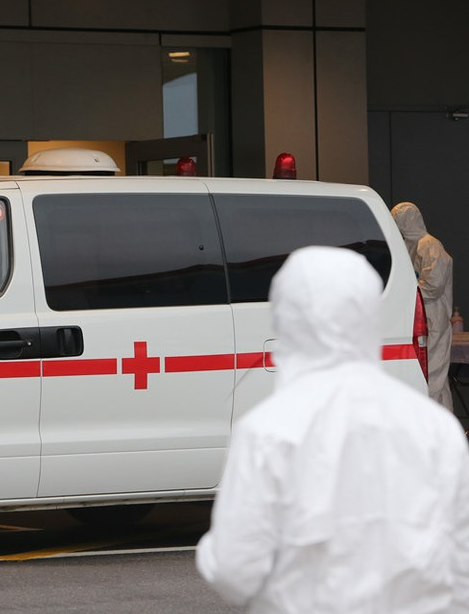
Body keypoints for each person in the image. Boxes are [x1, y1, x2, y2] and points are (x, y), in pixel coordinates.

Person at [196, 246, 469, 613]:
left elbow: (234, 568)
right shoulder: (435, 429)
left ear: (287, 318)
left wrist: (210, 552)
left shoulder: (269, 431)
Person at [391, 201, 454, 410]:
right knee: (424, 378)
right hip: (419, 320)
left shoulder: (429, 245)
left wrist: (408, 292)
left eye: (399, 221)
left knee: (433, 377)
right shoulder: (410, 246)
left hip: (432, 319)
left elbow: (434, 284)